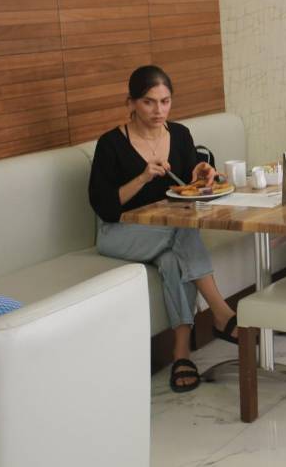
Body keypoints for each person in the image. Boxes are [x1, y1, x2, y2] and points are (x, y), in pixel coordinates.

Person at [89, 65, 241, 393]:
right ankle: (220, 310)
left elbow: (185, 185)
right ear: (131, 103)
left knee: (174, 258)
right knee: (182, 228)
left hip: (165, 231)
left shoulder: (180, 135)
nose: (159, 110)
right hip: (118, 233)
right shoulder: (111, 144)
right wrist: (143, 177)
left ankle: (181, 354)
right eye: (149, 102)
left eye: (165, 101)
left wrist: (202, 173)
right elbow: (105, 207)